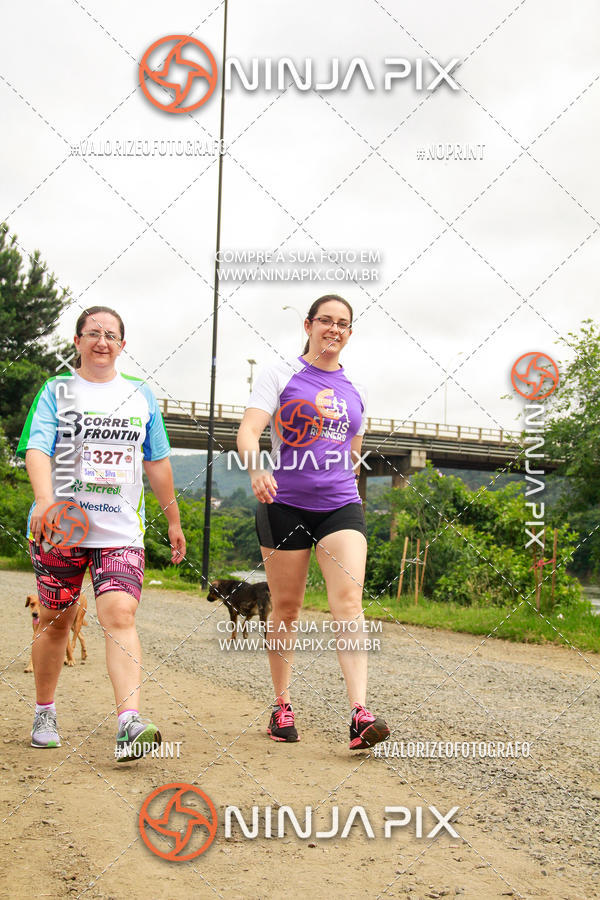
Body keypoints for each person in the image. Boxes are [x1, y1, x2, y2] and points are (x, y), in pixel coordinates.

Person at [17, 306, 186, 761]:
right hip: (62, 527)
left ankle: (129, 722)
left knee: (120, 616)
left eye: (111, 334)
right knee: (56, 622)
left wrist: (172, 520)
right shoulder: (57, 391)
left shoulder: (140, 397)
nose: (102, 341)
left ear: (122, 345)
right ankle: (45, 711)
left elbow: (157, 462)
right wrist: (46, 499)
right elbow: (36, 448)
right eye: (93, 333)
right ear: (77, 341)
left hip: (119, 530)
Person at [236, 294, 389, 750]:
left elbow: (354, 450)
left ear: (349, 332)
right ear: (308, 325)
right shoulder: (279, 374)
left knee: (349, 602)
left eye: (343, 324)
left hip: (341, 504)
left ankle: (360, 714)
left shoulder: (357, 387)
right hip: (284, 502)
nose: (334, 329)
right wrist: (256, 467)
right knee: (286, 608)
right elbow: (248, 430)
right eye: (326, 321)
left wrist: (344, 479)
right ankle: (281, 704)